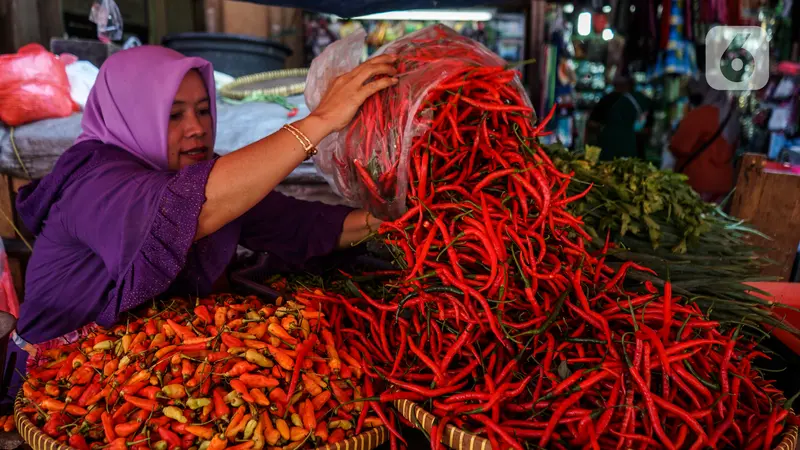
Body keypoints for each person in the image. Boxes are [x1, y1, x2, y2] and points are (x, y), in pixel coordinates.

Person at [3, 46, 398, 399]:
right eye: (173, 114)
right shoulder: (95, 182)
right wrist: (322, 120)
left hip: (134, 383)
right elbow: (190, 208)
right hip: (52, 392)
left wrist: (392, 221)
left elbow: (296, 223)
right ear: (132, 114)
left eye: (204, 109)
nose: (196, 128)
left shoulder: (198, 174)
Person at [669, 77, 739, 203]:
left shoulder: (701, 115)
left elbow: (679, 146)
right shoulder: (731, 117)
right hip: (723, 185)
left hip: (697, 183)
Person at [586, 75, 650, 160]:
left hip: (607, 150)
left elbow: (591, 124)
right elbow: (647, 129)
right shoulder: (642, 100)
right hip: (632, 151)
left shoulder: (608, 99)